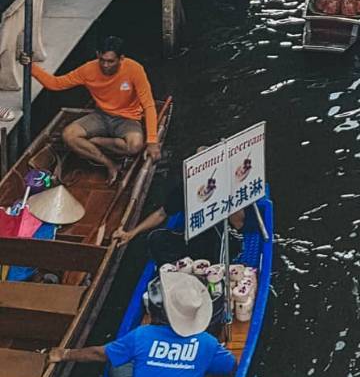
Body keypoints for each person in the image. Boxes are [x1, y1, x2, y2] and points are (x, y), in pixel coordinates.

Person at [48, 267, 235, 377]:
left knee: (118, 360)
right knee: (224, 372)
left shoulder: (141, 335)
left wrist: (65, 354)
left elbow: (99, 353)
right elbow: (231, 365)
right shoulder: (207, 343)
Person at [32, 35, 160, 180]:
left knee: (135, 146)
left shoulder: (135, 69)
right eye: (102, 60)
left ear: (121, 58)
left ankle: (96, 142)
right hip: (101, 115)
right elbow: (55, 84)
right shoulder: (88, 70)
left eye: (110, 61)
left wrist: (152, 142)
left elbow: (149, 105)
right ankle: (109, 164)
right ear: (97, 55)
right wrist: (31, 67)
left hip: (128, 118)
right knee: (69, 135)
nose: (105, 65)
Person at [113, 166, 248, 264]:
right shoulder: (186, 188)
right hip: (195, 237)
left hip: (222, 238)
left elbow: (238, 223)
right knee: (156, 239)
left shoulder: (227, 188)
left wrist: (229, 192)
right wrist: (132, 233)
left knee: (218, 251)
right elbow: (161, 213)